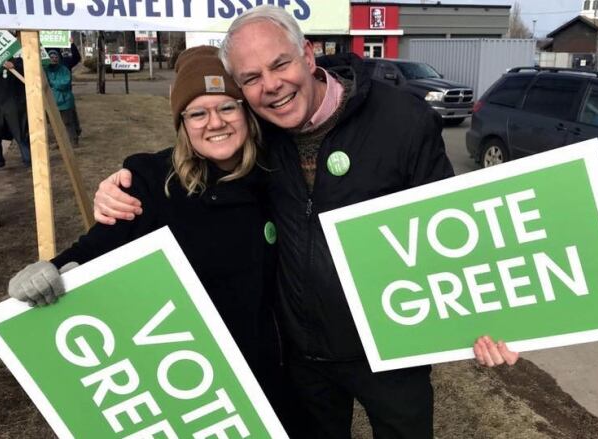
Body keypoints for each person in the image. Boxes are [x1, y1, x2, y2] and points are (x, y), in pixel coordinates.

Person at [93, 6, 518, 438]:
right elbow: (197, 145)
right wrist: (123, 185)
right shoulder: (257, 129)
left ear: (309, 56)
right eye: (252, 78)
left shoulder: (401, 121)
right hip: (301, 355)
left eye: (280, 64)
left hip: (390, 349)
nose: (271, 86)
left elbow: (452, 228)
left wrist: (487, 320)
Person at [7, 46, 303, 435]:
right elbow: (95, 250)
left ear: (245, 112)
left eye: (227, 107)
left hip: (271, 372)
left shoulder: (278, 170)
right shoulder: (151, 181)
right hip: (191, 379)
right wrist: (49, 270)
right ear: (182, 123)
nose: (215, 122)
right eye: (197, 113)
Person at [0, 54, 31, 168]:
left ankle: (28, 159)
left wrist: (14, 66)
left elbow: (29, 71)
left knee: (20, 132)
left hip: (13, 102)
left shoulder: (18, 61)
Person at [45, 43, 82, 147]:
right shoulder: (45, 69)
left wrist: (52, 83)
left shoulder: (64, 68)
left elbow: (64, 83)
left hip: (65, 101)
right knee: (55, 124)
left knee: (68, 122)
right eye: (51, 57)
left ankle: (73, 141)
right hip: (51, 101)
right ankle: (60, 142)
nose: (53, 59)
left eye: (55, 57)